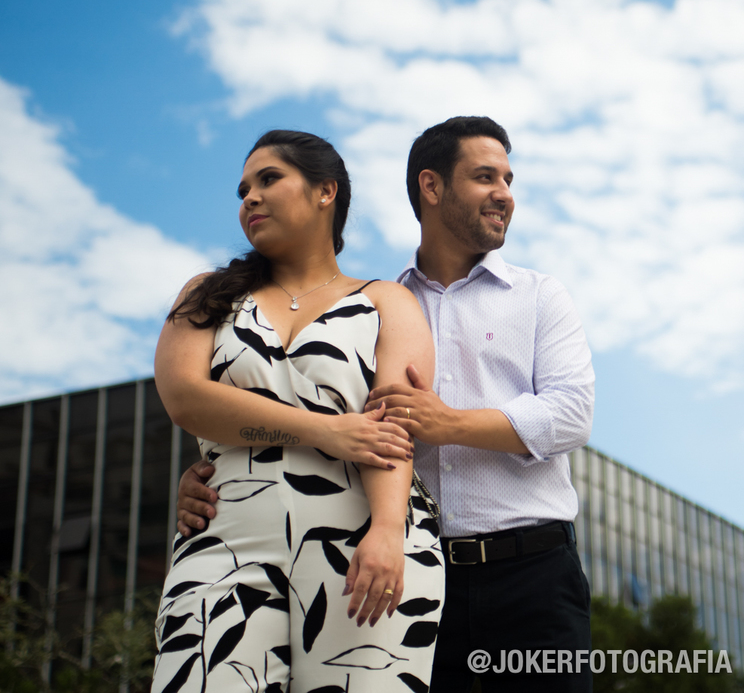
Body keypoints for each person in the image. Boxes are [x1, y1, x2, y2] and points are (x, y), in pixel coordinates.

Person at [177, 117, 596, 692]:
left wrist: (449, 424)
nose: (504, 193)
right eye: (484, 176)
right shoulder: (381, 304)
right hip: (416, 569)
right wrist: (226, 465)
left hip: (533, 574)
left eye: (507, 177)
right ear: (431, 186)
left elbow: (572, 414)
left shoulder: (538, 296)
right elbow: (336, 418)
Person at [152, 130, 444, 693]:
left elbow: (393, 425)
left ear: (324, 192)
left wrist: (387, 530)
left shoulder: (388, 300)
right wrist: (325, 430)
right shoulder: (208, 293)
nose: (249, 199)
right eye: (243, 190)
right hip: (225, 533)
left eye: (268, 180)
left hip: (363, 535)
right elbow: (185, 398)